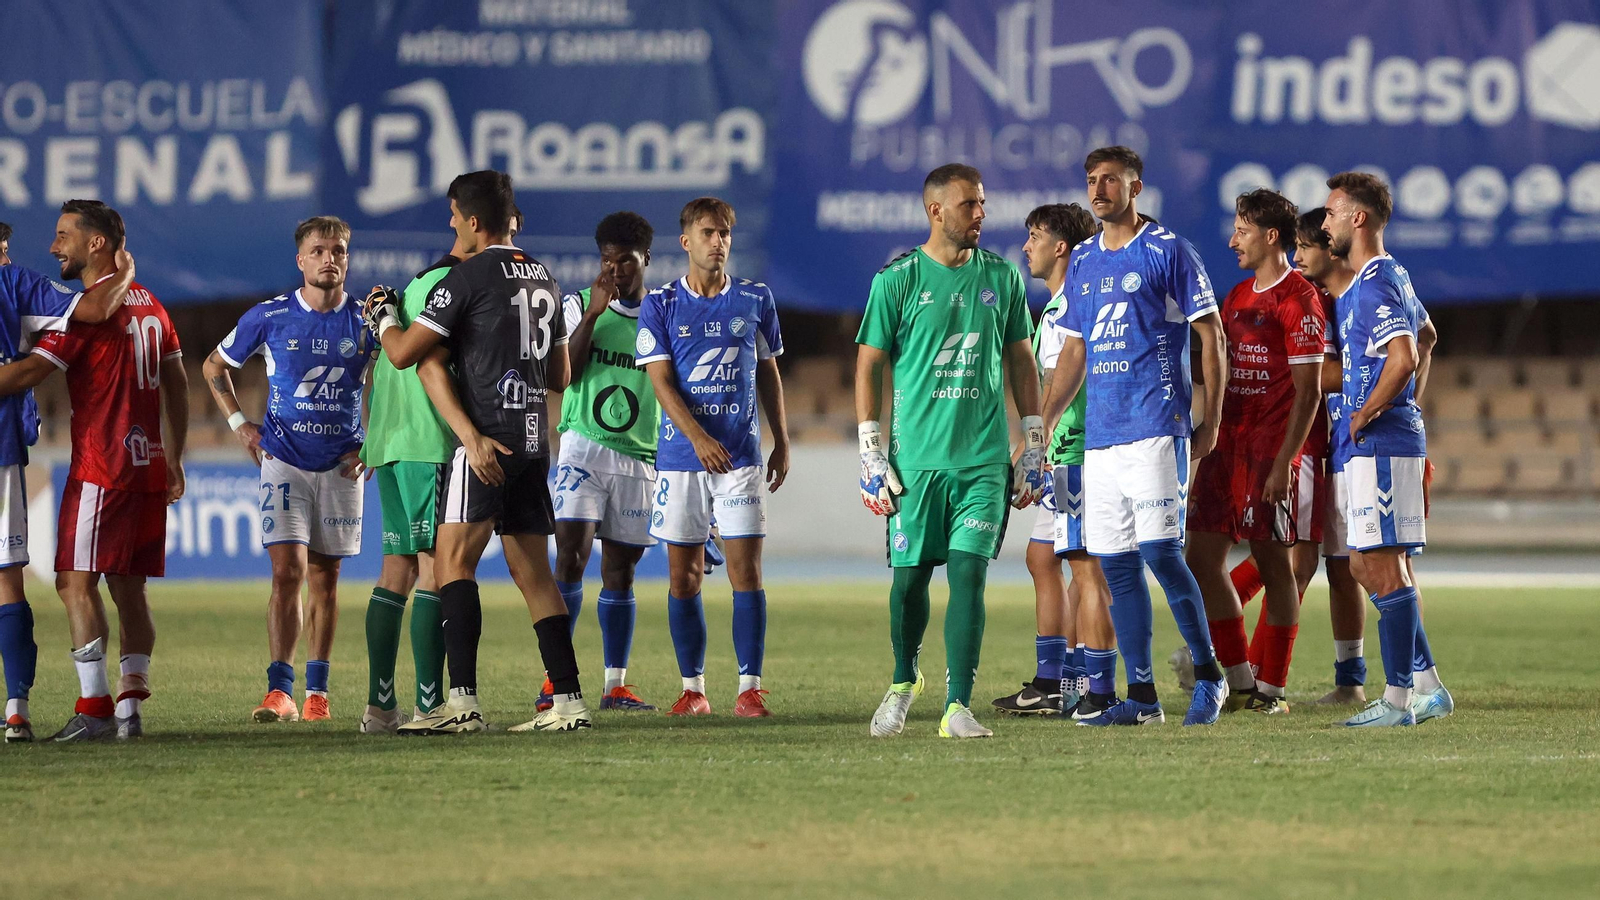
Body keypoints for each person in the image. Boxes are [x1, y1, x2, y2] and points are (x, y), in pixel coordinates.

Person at [367, 170, 589, 735]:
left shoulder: (466, 278)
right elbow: (562, 373)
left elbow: (404, 356)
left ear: (471, 220)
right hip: (535, 443)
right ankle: (569, 702)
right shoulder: (546, 278)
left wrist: (384, 319)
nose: (450, 224)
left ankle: (461, 703)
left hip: (484, 443)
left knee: (451, 565)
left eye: (453, 215)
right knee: (534, 575)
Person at [857, 163, 1046, 739]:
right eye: (970, 205)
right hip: (915, 463)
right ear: (936, 211)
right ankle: (901, 680)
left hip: (982, 461)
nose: (981, 214)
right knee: (909, 584)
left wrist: (1033, 442)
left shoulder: (1003, 277)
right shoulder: (896, 281)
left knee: (969, 574)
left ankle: (956, 705)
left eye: (983, 203)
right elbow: (868, 365)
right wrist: (871, 451)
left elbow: (1020, 358)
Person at [1052, 146, 1229, 727]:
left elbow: (1212, 337)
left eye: (1109, 180)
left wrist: (1212, 418)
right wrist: (1043, 422)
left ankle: (1210, 676)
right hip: (1101, 437)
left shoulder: (1169, 251)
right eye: (1091, 180)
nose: (1098, 188)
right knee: (1117, 567)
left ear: (1136, 187)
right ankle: (1145, 698)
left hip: (1157, 426)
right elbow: (1075, 346)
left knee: (1160, 553)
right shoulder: (1082, 259)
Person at [0, 202, 182, 742]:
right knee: (130, 588)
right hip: (148, 464)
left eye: (63, 236)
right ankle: (129, 704)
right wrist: (176, 456)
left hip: (103, 465)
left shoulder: (87, 315)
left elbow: (28, 373)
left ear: (95, 244)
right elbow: (178, 382)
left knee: (73, 583)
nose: (54, 246)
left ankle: (96, 707)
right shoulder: (154, 306)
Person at [203, 216, 374, 724]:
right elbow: (214, 366)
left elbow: (395, 380)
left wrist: (377, 441)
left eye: (338, 250)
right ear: (300, 260)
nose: (330, 259)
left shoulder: (367, 320)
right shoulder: (270, 316)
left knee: (326, 580)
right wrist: (239, 424)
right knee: (286, 573)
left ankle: (317, 693)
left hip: (343, 467)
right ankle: (280, 690)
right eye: (319, 250)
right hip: (284, 460)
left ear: (347, 258)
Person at [635, 196, 790, 718]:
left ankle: (749, 689)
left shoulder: (755, 298)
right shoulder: (660, 304)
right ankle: (693, 689)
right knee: (684, 578)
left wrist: (782, 440)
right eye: (707, 233)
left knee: (747, 572)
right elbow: (661, 383)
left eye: (724, 232)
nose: (718, 241)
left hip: (742, 459)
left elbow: (768, 372)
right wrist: (699, 439)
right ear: (686, 241)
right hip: (681, 461)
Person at [1182, 189, 1324, 715]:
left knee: (1272, 564)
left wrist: (1288, 460)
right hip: (1228, 445)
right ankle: (1239, 679)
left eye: (1241, 230)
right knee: (1200, 558)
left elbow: (1308, 392)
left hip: (1269, 449)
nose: (1232, 239)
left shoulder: (1300, 300)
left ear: (1269, 236)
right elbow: (1217, 368)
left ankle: (1272, 691)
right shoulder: (1238, 295)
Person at [1321, 171, 1451, 727]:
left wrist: (1371, 411)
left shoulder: (1374, 281)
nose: (1324, 223)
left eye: (1330, 213)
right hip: (1381, 441)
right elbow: (1427, 336)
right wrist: (1403, 407)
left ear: (1359, 218)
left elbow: (1404, 355)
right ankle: (1428, 686)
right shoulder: (1382, 278)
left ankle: (1398, 702)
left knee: (1379, 566)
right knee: (1367, 564)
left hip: (1381, 443)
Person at [354, 229, 479, 735]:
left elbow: (383, 363)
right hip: (430, 442)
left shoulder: (416, 285)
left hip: (390, 441)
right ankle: (430, 708)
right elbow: (430, 363)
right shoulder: (460, 286)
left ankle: (380, 707)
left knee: (397, 571)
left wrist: (372, 437)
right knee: (434, 569)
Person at [991, 203, 1113, 719]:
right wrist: (1024, 453)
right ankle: (1052, 680)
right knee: (1043, 559)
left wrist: (1036, 455)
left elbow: (1064, 392)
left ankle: (1084, 685)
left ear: (1060, 247)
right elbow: (1042, 401)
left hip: (1075, 460)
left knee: (1086, 570)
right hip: (1056, 457)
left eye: (1035, 236)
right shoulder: (1055, 311)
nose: (1026, 246)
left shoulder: (1074, 310)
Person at [546, 212, 661, 712]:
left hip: (638, 456)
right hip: (582, 449)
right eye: (606, 260)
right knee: (569, 556)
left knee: (621, 571)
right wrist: (594, 313)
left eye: (625, 261)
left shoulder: (663, 314)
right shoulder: (577, 305)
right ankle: (556, 680)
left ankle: (615, 685)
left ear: (646, 261)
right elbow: (564, 375)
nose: (614, 270)